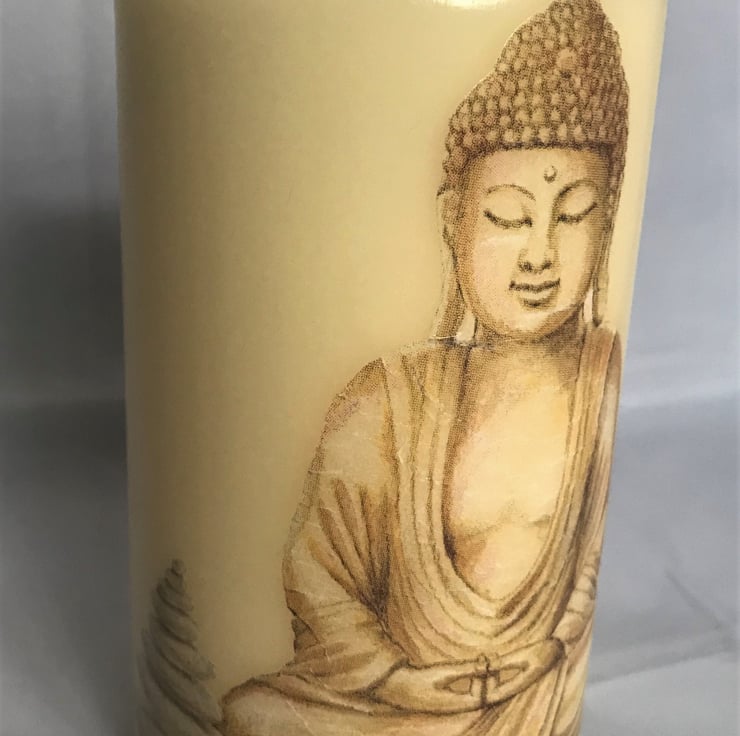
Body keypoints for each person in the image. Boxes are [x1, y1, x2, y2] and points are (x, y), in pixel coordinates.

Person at [222, 1, 628, 734]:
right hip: (397, 698)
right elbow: (317, 576)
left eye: (573, 214)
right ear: (454, 220)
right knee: (254, 715)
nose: (539, 254)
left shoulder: (599, 378)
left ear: (609, 223)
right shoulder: (389, 401)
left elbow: (584, 570)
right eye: (507, 217)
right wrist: (397, 678)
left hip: (533, 689)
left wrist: (551, 649)